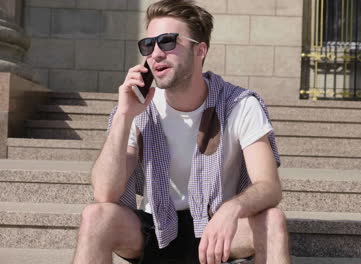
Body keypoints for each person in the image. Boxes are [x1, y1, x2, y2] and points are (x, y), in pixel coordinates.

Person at [72, 0, 290, 263]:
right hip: (155, 228)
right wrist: (124, 115)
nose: (155, 53)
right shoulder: (141, 109)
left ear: (200, 50)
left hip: (216, 231)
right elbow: (105, 193)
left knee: (272, 221)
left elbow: (269, 186)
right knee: (95, 216)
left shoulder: (239, 104)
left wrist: (232, 208)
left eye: (167, 42)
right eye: (148, 44)